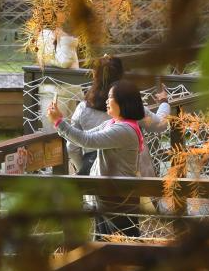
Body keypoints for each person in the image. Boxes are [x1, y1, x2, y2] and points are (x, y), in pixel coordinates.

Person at [48, 79, 146, 238]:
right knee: (105, 242)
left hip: (119, 197)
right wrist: (60, 122)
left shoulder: (124, 130)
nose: (106, 101)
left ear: (123, 102)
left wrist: (59, 122)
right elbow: (84, 136)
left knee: (125, 244)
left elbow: (87, 141)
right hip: (107, 195)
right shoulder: (112, 123)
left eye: (111, 97)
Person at [66, 56, 171, 176]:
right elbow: (160, 124)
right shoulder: (130, 106)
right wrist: (164, 102)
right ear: (121, 75)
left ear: (95, 76)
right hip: (134, 174)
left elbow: (72, 147)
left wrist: (86, 170)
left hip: (99, 176)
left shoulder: (83, 109)